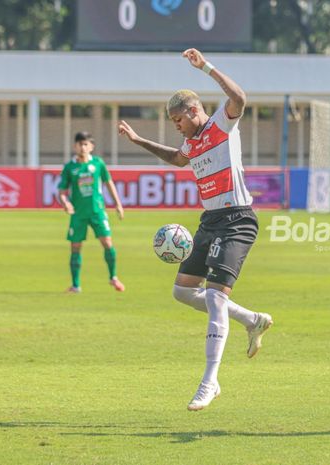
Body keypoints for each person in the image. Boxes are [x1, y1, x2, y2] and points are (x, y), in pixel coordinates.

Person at [118, 48, 273, 411]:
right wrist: (139, 141)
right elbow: (176, 158)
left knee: (216, 297)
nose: (177, 126)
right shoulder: (191, 142)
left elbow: (240, 98)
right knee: (182, 292)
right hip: (210, 222)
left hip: (237, 220)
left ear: (193, 111)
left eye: (177, 119)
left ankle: (210, 381)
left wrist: (206, 68)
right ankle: (252, 320)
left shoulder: (221, 123)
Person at [58, 132, 125, 293]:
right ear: (75, 146)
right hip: (78, 213)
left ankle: (113, 278)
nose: (83, 147)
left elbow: (109, 183)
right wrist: (66, 203)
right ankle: (75, 285)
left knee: (107, 243)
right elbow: (61, 192)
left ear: (91, 147)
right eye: (80, 144)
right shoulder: (70, 168)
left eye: (86, 144)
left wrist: (118, 204)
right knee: (75, 247)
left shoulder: (98, 164)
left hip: (97, 211)